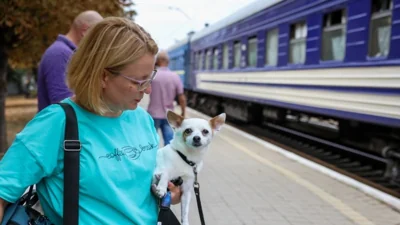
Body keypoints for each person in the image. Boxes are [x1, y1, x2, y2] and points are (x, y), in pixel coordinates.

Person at [0, 17, 181, 224]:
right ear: (103, 76)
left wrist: (167, 194)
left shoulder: (142, 119)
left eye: (150, 78)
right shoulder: (55, 124)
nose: (148, 89)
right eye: (138, 81)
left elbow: (135, 191)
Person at [36, 10, 103, 112]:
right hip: (60, 126)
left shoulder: (68, 54)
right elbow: (63, 102)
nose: (98, 42)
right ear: (85, 30)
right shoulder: (59, 54)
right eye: (97, 36)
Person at [147, 51, 187, 146]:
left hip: (153, 114)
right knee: (169, 143)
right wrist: (183, 113)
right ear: (168, 62)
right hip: (169, 115)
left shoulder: (152, 75)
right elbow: (181, 97)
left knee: (150, 143)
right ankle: (167, 160)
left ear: (157, 61)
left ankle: (153, 160)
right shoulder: (175, 77)